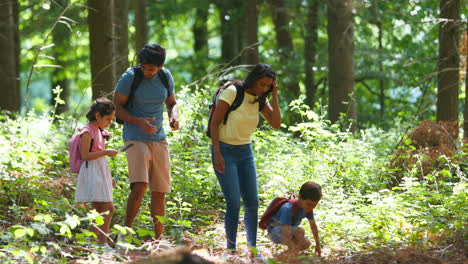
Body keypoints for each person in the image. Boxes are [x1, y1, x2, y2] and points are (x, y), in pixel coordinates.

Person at [209, 63, 281, 251]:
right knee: (233, 202)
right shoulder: (233, 92)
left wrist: (273, 95)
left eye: (268, 85)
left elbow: (275, 123)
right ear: (253, 79)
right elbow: (215, 123)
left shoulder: (260, 99)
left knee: (252, 202)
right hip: (224, 150)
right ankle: (231, 249)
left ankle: (252, 249)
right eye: (262, 84)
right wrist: (217, 153)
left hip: (245, 152)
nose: (263, 88)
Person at [113, 44, 179, 239]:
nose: (147, 71)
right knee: (140, 185)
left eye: (151, 68)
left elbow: (172, 103)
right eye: (143, 67)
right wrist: (137, 121)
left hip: (158, 138)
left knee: (159, 191)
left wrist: (173, 117)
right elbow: (117, 107)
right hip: (134, 136)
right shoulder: (130, 78)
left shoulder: (165, 76)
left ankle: (158, 240)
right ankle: (124, 234)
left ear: (160, 67)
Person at [74, 98, 118, 248]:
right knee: (106, 208)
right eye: (108, 119)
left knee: (100, 209)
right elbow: (85, 155)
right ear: (98, 115)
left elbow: (99, 156)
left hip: (100, 170)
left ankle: (93, 243)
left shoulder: (99, 131)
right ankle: (100, 243)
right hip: (92, 171)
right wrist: (106, 152)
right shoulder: (87, 131)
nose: (109, 122)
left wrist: (108, 179)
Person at [267, 181, 322, 257]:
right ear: (299, 197)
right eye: (309, 204)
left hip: (289, 231)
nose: (311, 208)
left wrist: (318, 244)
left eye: (314, 205)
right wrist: (292, 247)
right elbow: (285, 232)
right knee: (300, 231)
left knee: (306, 243)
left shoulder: (308, 209)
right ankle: (291, 255)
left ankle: (282, 256)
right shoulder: (288, 208)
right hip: (275, 232)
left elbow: (313, 226)